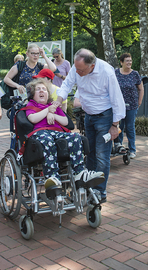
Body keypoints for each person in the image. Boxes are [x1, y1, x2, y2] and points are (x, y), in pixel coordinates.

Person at [54, 48, 126, 203]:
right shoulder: (77, 67)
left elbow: (116, 99)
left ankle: (100, 192)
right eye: (76, 68)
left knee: (102, 155)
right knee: (90, 153)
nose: (77, 72)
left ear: (92, 66)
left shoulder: (106, 72)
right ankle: (89, 188)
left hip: (105, 117)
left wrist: (115, 125)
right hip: (89, 116)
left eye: (81, 70)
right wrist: (58, 100)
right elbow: (67, 84)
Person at [25, 78, 104, 188]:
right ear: (33, 94)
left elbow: (66, 121)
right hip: (41, 132)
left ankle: (80, 173)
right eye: (38, 89)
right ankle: (52, 176)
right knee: (47, 141)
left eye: (44, 89)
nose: (42, 91)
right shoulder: (32, 105)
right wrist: (47, 111)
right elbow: (33, 118)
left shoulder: (53, 105)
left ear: (48, 94)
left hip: (57, 132)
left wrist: (53, 114)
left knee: (76, 136)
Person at [115, 53, 144, 159]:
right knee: (119, 127)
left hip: (132, 105)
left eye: (130, 60)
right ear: (121, 62)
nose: (129, 62)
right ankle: (120, 147)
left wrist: (139, 102)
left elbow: (141, 89)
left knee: (130, 127)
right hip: (118, 105)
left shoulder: (135, 74)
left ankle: (132, 150)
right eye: (127, 60)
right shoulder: (116, 73)